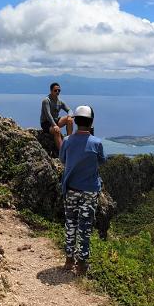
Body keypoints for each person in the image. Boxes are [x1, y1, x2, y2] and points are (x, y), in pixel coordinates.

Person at [59, 105, 107, 277]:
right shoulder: (97, 143)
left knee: (70, 224)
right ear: (91, 122)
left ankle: (68, 260)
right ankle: (82, 265)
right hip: (89, 191)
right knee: (85, 227)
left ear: (76, 121)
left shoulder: (67, 141)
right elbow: (102, 161)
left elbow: (63, 160)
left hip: (71, 189)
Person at [40, 82, 74, 151]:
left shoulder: (60, 101)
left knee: (69, 120)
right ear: (51, 91)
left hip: (55, 120)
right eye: (55, 90)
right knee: (57, 131)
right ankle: (62, 152)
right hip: (46, 123)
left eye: (59, 90)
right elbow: (48, 115)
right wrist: (55, 125)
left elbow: (69, 110)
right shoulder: (46, 101)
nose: (57, 92)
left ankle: (69, 141)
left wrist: (70, 116)